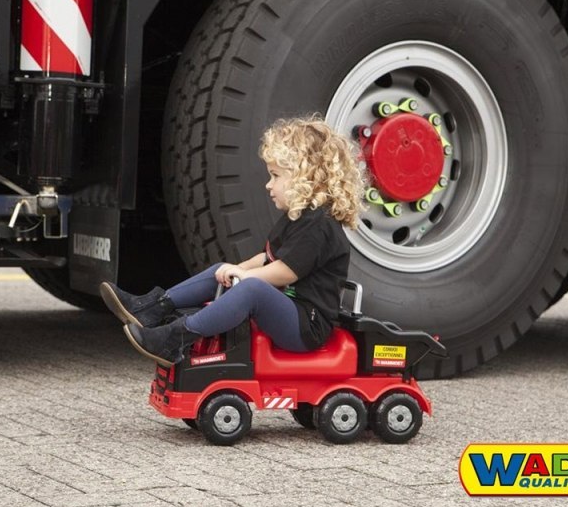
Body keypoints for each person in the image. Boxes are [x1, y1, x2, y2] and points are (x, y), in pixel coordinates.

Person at [100, 115, 367, 367]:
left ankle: (174, 339)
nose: (268, 185)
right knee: (222, 270)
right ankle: (152, 308)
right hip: (289, 309)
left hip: (306, 325)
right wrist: (236, 270)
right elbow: (267, 257)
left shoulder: (320, 225)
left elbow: (285, 272)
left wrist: (245, 277)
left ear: (306, 177)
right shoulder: (298, 217)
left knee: (252, 288)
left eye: (275, 176)